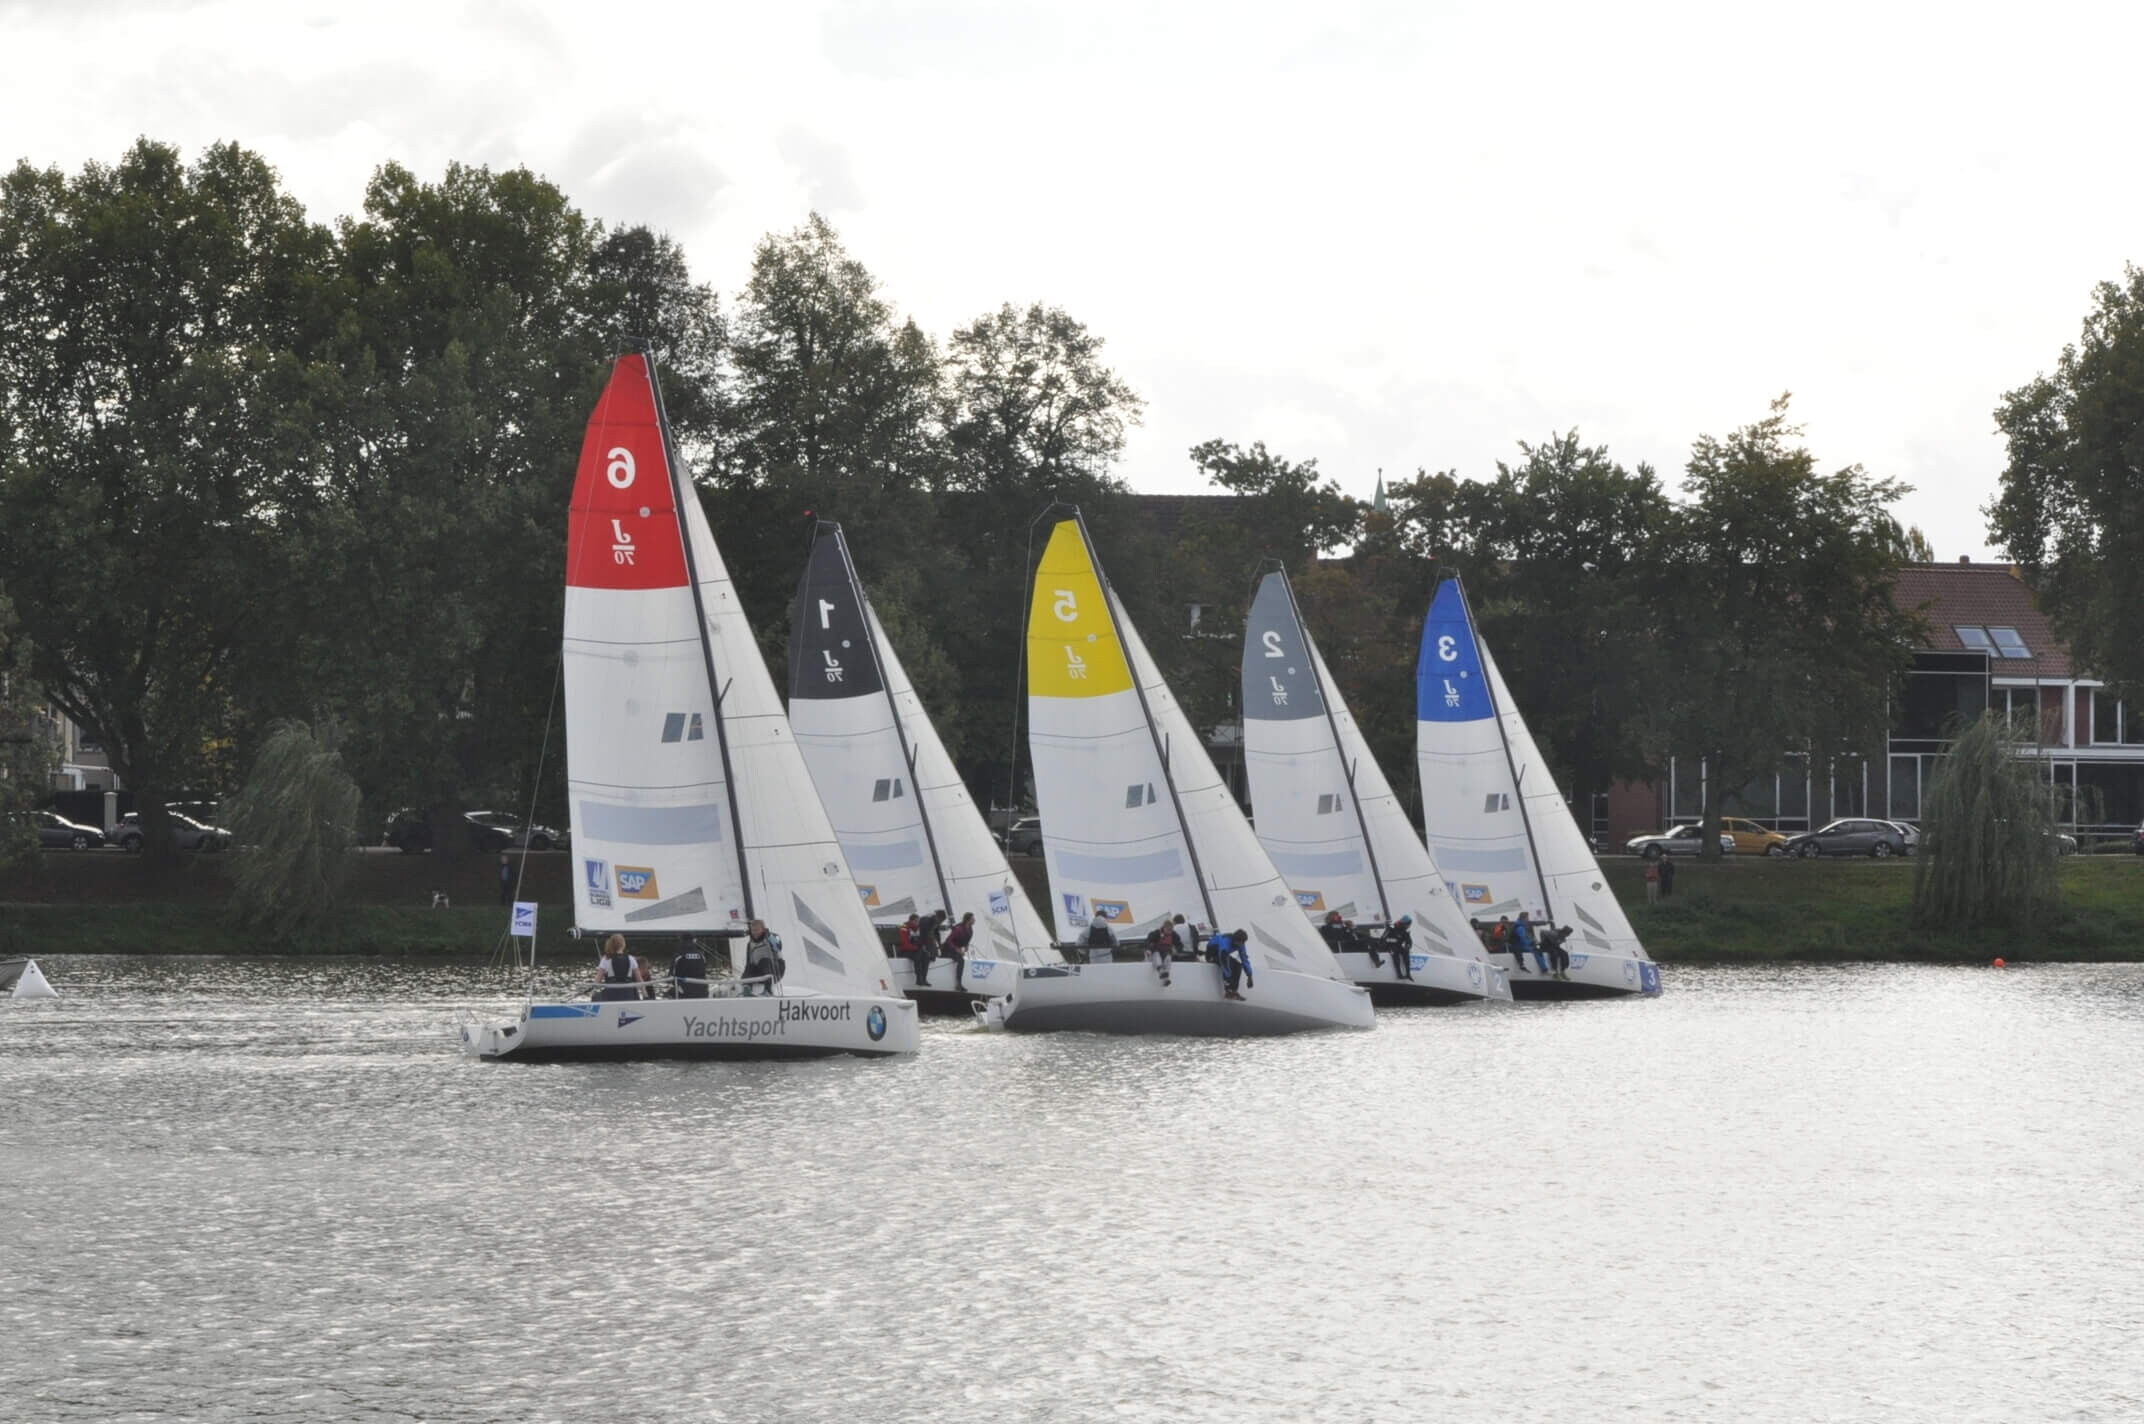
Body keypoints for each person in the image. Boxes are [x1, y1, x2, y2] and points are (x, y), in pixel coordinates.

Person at [594, 933, 646, 1001]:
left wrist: (593, 992)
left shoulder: (605, 959)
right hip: (628, 996)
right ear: (623, 944)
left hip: (611, 996)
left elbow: (598, 981)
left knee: (596, 996)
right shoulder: (631, 959)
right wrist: (645, 995)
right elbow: (640, 980)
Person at [741, 918, 784, 996]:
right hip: (759, 972)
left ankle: (768, 990)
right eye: (753, 930)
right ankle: (746, 988)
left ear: (763, 929)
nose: (755, 932)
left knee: (764, 961)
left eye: (757, 930)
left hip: (775, 970)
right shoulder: (750, 944)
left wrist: (770, 937)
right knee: (749, 966)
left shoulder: (772, 937)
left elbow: (778, 947)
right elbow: (749, 961)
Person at [1212, 927, 1254, 1000]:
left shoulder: (1240, 944)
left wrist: (1249, 975)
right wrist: (1228, 977)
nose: (1242, 944)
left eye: (1243, 943)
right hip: (1213, 954)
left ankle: (1233, 991)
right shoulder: (1225, 942)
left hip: (1223, 955)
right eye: (1241, 942)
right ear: (1236, 940)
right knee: (1228, 964)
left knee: (1238, 965)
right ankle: (1228, 991)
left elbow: (1244, 959)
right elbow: (1223, 960)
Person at [897, 913, 932, 987]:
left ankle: (924, 979)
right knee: (918, 955)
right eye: (916, 921)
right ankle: (919, 979)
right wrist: (916, 948)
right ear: (910, 921)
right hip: (904, 951)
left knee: (926, 956)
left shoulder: (920, 928)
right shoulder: (904, 928)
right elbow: (905, 944)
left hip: (916, 950)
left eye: (918, 921)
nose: (918, 923)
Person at [1378, 915, 1417, 980]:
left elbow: (1409, 941)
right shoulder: (1392, 928)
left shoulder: (1405, 931)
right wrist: (1394, 941)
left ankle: (1408, 974)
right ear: (1404, 924)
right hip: (1388, 946)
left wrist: (1408, 946)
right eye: (1408, 925)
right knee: (1395, 952)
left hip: (1398, 946)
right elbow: (1382, 939)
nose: (1408, 926)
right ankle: (1399, 974)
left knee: (1406, 952)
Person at [944, 911, 974, 991]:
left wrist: (966, 946)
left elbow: (966, 940)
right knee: (961, 960)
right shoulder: (959, 929)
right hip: (948, 949)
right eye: (973, 919)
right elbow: (948, 940)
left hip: (955, 950)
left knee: (960, 959)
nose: (974, 920)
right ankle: (959, 984)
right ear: (968, 920)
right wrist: (956, 949)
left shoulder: (970, 929)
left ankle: (959, 984)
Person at [1143, 922, 1175, 988]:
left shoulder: (1173, 934)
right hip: (1153, 954)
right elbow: (1147, 942)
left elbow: (1179, 944)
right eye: (1168, 930)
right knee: (1156, 954)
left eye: (1171, 930)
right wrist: (1148, 949)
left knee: (1168, 957)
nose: (1169, 932)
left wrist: (1177, 949)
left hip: (1164, 954)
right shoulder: (1156, 933)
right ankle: (1161, 971)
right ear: (1164, 928)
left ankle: (1166, 979)